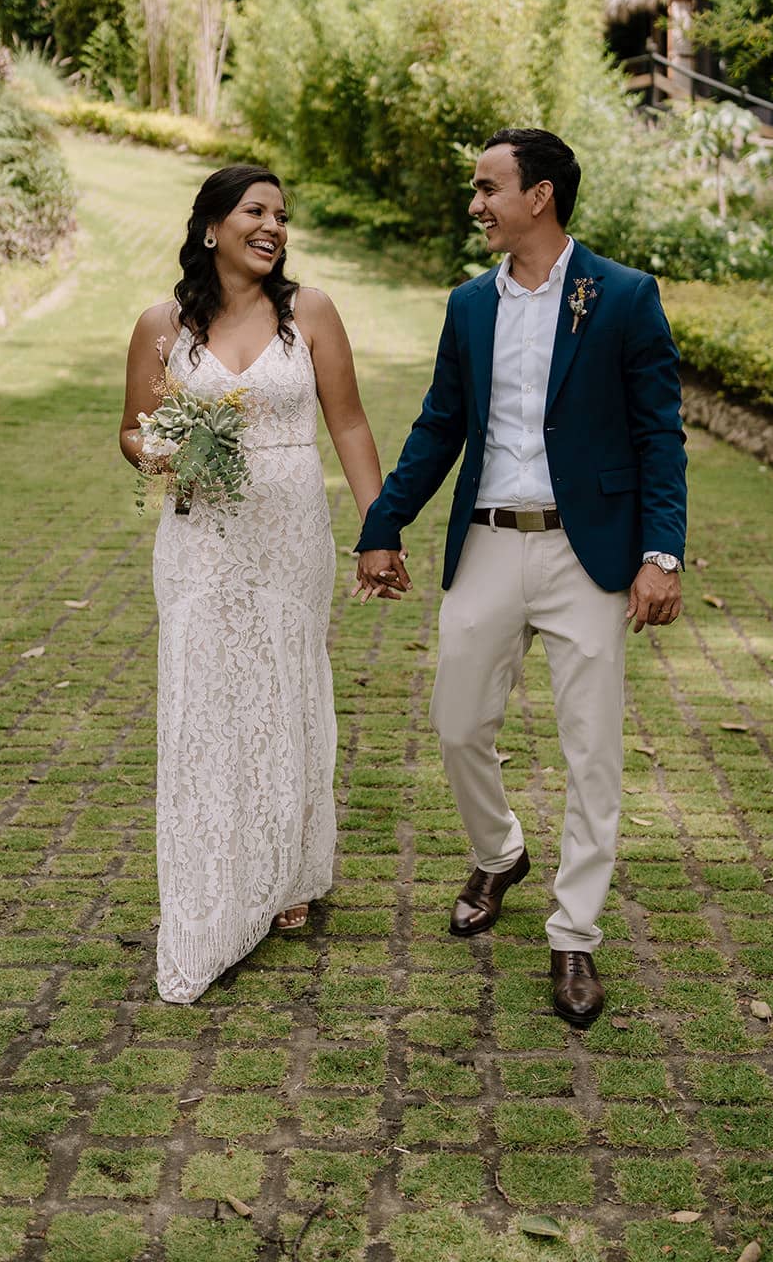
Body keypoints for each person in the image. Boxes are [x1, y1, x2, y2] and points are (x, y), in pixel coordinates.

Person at [354, 128, 687, 1027]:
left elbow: (658, 434)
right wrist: (383, 522)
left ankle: (573, 933)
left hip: (590, 553)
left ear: (538, 196)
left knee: (592, 750)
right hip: (490, 541)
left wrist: (660, 554)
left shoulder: (622, 296)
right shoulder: (470, 304)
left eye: (487, 187)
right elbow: (439, 423)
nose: (476, 204)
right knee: (457, 722)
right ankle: (499, 852)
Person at [121, 164, 391, 1004]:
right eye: (255, 211)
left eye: (281, 215)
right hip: (198, 538)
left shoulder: (309, 313)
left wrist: (379, 530)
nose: (273, 226)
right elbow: (132, 431)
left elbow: (349, 423)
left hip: (288, 534)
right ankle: (212, 878)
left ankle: (288, 870)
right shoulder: (161, 325)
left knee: (283, 687)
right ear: (211, 227)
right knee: (204, 698)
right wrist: (165, 451)